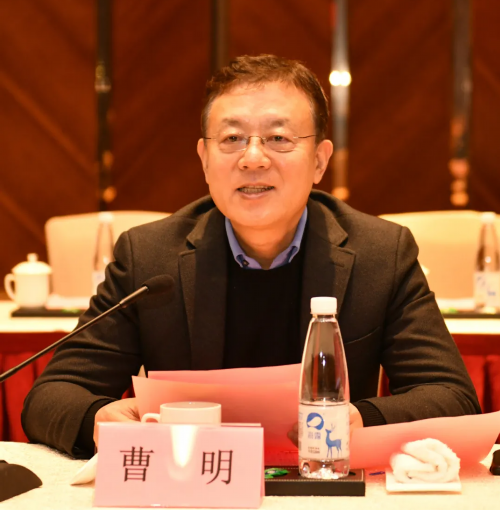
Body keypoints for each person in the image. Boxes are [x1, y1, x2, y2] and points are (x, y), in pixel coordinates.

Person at [22, 55, 480, 458]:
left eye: (278, 138)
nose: (253, 158)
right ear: (204, 159)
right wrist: (98, 419)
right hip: (190, 487)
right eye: (232, 139)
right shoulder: (149, 257)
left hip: (324, 485)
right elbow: (53, 395)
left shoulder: (380, 254)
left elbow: (451, 396)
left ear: (320, 161)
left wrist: (362, 418)